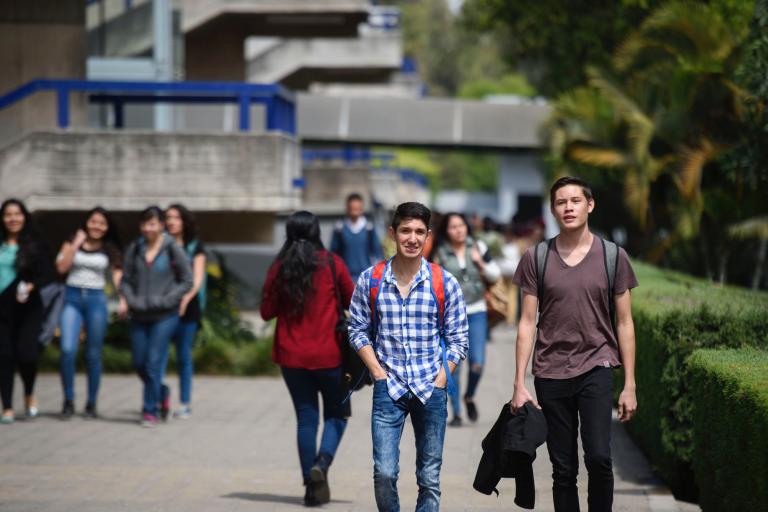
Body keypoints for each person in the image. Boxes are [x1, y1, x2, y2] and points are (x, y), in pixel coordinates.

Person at [510, 176, 639, 512]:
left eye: (575, 201)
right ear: (553, 210)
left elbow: (625, 322)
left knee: (599, 458)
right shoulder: (537, 257)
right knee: (563, 468)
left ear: (590, 205)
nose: (568, 208)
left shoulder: (613, 256)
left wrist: (629, 385)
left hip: (596, 366)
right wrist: (518, 383)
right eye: (560, 202)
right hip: (550, 373)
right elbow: (526, 322)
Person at [348, 202, 468, 512]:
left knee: (429, 478)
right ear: (393, 233)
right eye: (405, 231)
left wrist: (443, 376)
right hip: (389, 389)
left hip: (431, 390)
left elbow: (458, 338)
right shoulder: (371, 280)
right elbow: (357, 329)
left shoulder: (444, 282)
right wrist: (377, 372)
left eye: (419, 232)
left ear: (428, 236)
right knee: (384, 473)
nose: (412, 238)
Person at [261, 211, 354, 507]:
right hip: (329, 356)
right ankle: (322, 464)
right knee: (337, 415)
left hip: (291, 357)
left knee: (306, 419)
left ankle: (309, 485)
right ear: (316, 232)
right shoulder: (331, 263)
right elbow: (354, 300)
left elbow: (265, 312)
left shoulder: (280, 267)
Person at [119, 206, 192, 427]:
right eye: (144, 224)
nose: (148, 228)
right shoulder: (135, 248)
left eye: (152, 224)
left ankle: (149, 410)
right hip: (139, 314)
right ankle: (162, 392)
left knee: (152, 362)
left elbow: (186, 280)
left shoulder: (172, 248)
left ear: (161, 225)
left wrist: (167, 300)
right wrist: (132, 300)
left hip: (165, 315)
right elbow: (125, 280)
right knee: (139, 363)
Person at [433, 212, 500, 427]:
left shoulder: (478, 246)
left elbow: (495, 275)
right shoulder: (440, 253)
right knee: (453, 364)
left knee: (477, 363)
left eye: (461, 225)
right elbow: (434, 282)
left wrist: (480, 263)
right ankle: (457, 413)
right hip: (450, 314)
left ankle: (469, 395)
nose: (458, 230)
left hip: (477, 311)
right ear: (446, 231)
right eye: (453, 227)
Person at [56, 207, 123, 419]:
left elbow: (118, 276)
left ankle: (91, 403)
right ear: (86, 223)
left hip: (96, 299)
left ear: (107, 227)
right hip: (72, 298)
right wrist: (76, 244)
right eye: (93, 221)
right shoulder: (71, 242)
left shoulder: (109, 248)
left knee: (93, 354)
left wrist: (123, 300)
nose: (97, 226)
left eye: (102, 223)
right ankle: (68, 399)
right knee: (67, 349)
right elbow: (61, 268)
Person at [0, 199, 55, 424]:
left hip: (27, 307)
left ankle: (29, 394)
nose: (13, 219)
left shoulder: (35, 244)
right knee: (4, 356)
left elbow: (47, 273)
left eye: (17, 214)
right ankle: (8, 407)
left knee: (27, 355)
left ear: (24, 216)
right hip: (1, 309)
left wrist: (32, 285)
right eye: (8, 215)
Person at [161, 204, 207, 420]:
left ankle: (185, 403)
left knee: (183, 357)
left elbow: (197, 280)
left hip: (188, 309)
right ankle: (159, 398)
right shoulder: (158, 245)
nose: (171, 221)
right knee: (157, 356)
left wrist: (184, 300)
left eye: (176, 218)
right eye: (168, 217)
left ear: (184, 221)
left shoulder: (195, 247)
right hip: (161, 308)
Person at [330, 193, 383, 282]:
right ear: (347, 208)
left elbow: (376, 252)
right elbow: (334, 253)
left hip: (365, 277)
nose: (354, 211)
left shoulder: (368, 228)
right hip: (346, 277)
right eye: (352, 209)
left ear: (361, 209)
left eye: (357, 209)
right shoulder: (340, 228)